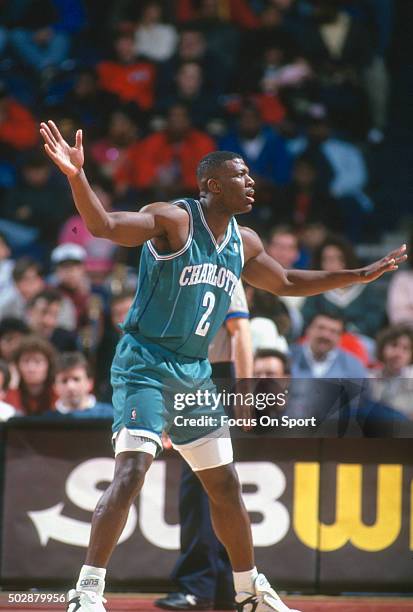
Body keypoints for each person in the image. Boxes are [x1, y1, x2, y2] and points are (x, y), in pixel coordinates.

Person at [39, 119, 406, 612]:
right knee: (132, 470)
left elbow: (289, 282)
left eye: (250, 175)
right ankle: (86, 591)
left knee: (225, 484)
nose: (251, 182)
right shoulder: (172, 219)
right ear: (212, 184)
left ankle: (249, 589)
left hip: (193, 372)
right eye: (241, 175)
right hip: (145, 363)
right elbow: (104, 226)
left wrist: (356, 275)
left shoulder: (245, 241)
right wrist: (76, 176)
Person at [156, 281, 252, 611]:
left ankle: (198, 587)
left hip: (217, 376)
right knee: (213, 489)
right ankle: (226, 589)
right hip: (190, 377)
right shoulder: (179, 275)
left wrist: (245, 391)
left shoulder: (224, 272)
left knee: (203, 489)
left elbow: (242, 332)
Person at [53, 352, 113, 418]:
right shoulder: (48, 420)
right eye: (64, 381)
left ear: (90, 383)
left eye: (76, 379)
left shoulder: (111, 415)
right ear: (55, 387)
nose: (71, 386)